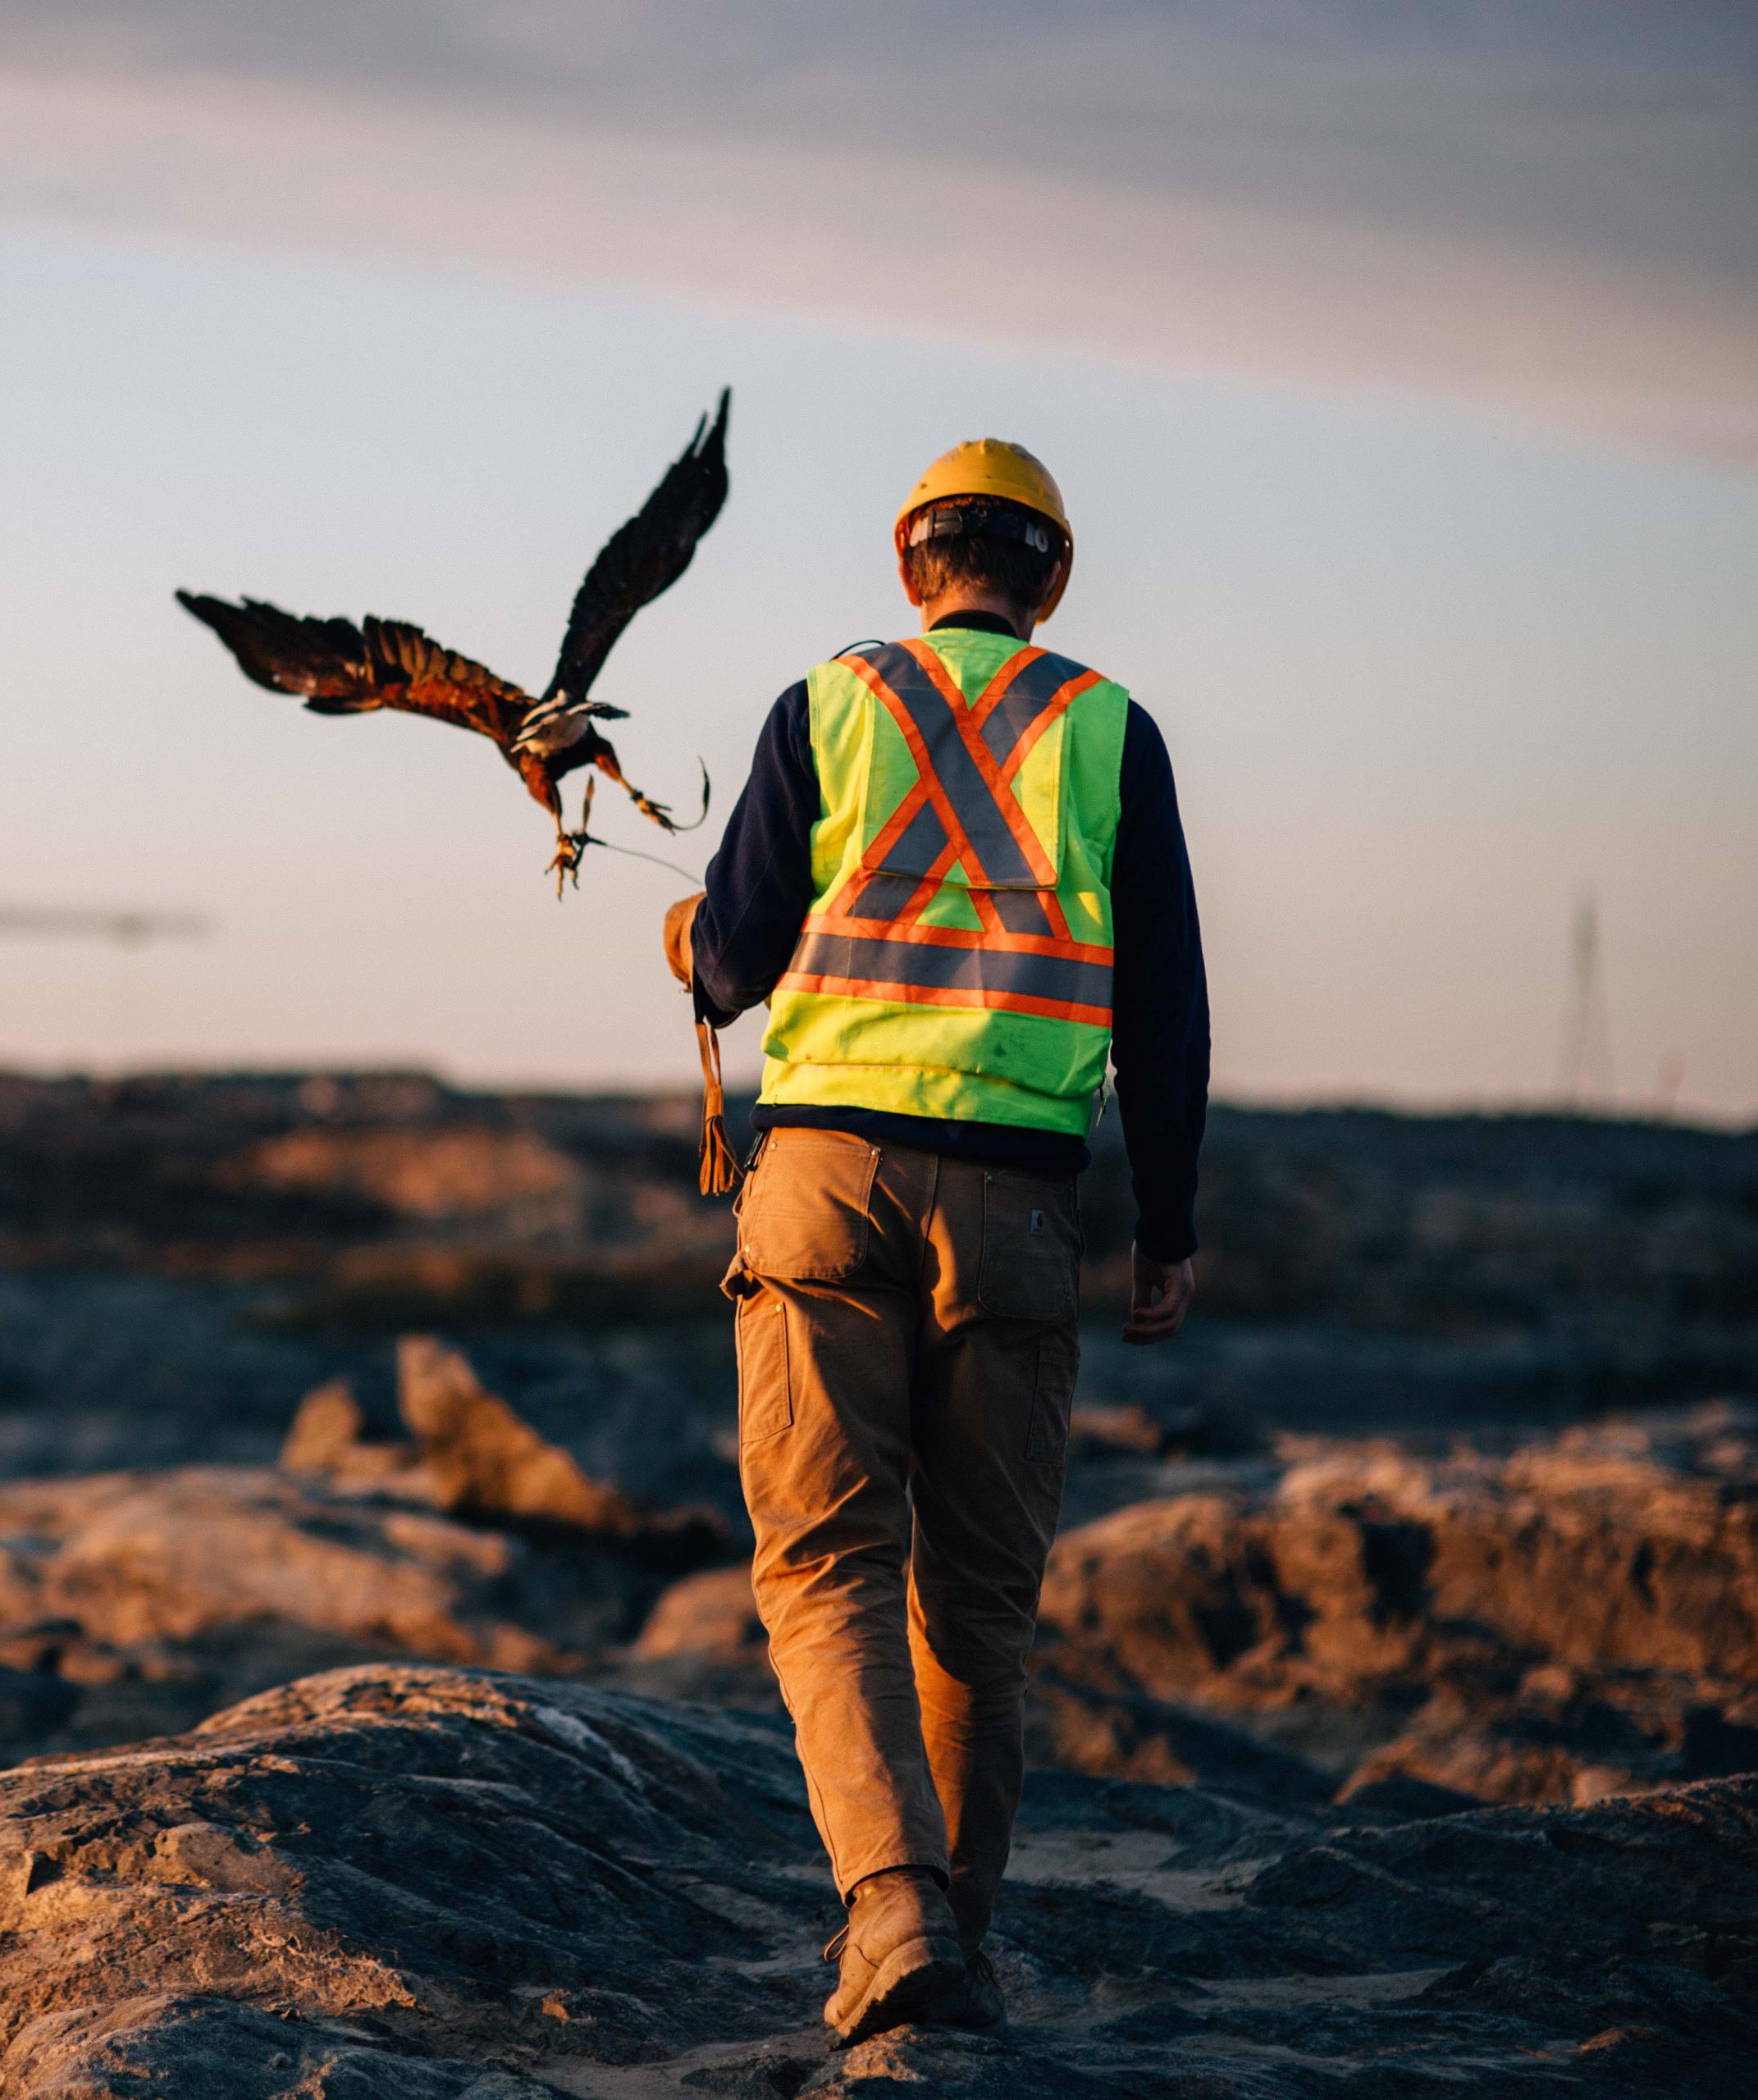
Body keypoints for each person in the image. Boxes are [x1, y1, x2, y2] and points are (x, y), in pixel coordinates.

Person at [664, 438, 1208, 2044]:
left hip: (823, 1190)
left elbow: (736, 958)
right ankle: (949, 1942)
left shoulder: (828, 706)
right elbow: (1165, 1006)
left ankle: (892, 1914)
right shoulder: (1113, 729)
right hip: (1023, 1208)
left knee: (831, 1569)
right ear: (1049, 579)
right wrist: (1164, 1226)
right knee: (978, 1609)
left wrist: (697, 946)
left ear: (912, 566)